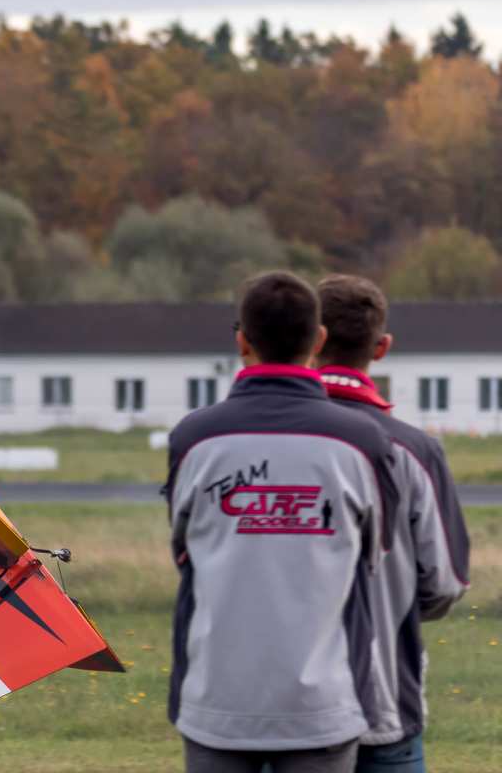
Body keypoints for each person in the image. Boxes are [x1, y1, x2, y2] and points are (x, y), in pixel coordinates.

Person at [166, 271, 398, 773]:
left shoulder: (193, 438)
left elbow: (183, 550)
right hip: (324, 705)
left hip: (216, 701)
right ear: (318, 340)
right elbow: (375, 553)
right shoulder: (363, 441)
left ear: (242, 341)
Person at [316, 274, 470, 773]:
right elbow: (445, 582)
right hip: (382, 700)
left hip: (281, 711)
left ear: (313, 340)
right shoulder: (416, 450)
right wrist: (389, 606)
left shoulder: (260, 440)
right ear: (380, 347)